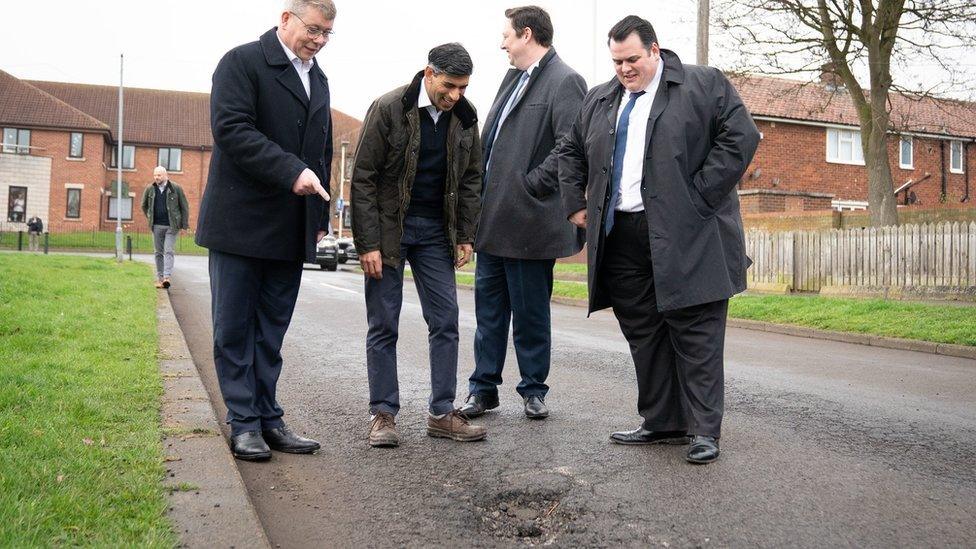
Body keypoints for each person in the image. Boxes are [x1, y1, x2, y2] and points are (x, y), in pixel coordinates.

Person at [558, 16, 760, 464]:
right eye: (616, 61)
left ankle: (705, 430)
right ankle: (662, 421)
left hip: (689, 231)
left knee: (696, 330)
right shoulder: (600, 98)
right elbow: (570, 148)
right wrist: (576, 202)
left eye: (632, 59)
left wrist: (700, 194)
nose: (624, 69)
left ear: (655, 50)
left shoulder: (702, 85)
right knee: (644, 332)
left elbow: (741, 136)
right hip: (622, 234)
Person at [195, 0, 336, 461]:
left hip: (290, 226)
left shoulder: (318, 78)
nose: (317, 40)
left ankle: (268, 417)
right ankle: (244, 422)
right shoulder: (242, 62)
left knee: (271, 330)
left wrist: (317, 217)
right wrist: (291, 171)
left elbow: (321, 151)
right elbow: (232, 130)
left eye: (326, 34)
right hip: (240, 222)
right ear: (286, 19)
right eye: (312, 29)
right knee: (234, 327)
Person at [351, 43, 485, 448]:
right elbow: (363, 178)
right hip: (389, 231)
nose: (455, 95)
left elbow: (471, 180)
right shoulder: (388, 108)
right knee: (384, 322)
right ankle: (383, 415)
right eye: (449, 86)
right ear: (429, 74)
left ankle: (442, 412)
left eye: (463, 87)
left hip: (434, 233)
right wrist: (368, 242)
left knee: (445, 320)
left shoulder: (465, 118)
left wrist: (465, 233)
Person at [460, 6, 586, 421]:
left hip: (530, 220)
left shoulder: (565, 80)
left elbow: (571, 144)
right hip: (493, 220)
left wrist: (532, 184)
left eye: (507, 36)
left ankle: (534, 389)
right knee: (488, 314)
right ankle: (483, 389)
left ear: (527, 34)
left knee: (531, 314)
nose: (502, 44)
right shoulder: (512, 78)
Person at [140, 166, 189, 288]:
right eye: (155, 175)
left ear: (165, 175)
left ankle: (167, 277)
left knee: (168, 251)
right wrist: (150, 217)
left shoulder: (175, 188)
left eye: (159, 175)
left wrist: (184, 224)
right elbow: (143, 205)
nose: (157, 177)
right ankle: (160, 278)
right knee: (158, 252)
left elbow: (184, 206)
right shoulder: (150, 189)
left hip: (172, 226)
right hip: (156, 225)